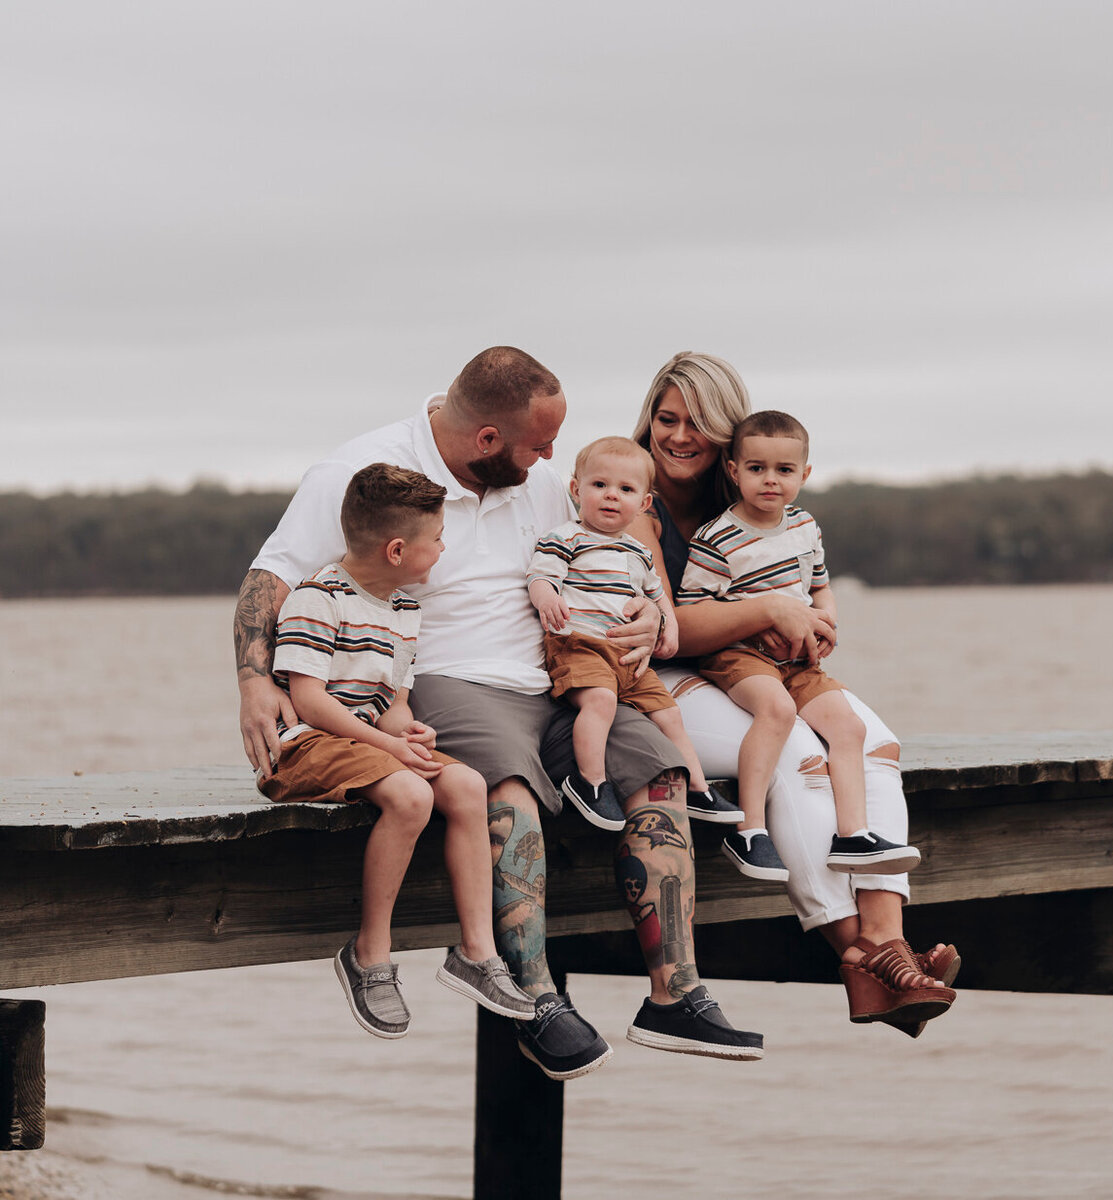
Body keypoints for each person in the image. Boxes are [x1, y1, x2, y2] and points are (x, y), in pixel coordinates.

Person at [236, 346, 764, 1079]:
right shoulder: (365, 472)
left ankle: (675, 994)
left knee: (661, 772)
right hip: (450, 678)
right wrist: (255, 681)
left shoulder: (540, 480)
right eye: (540, 445)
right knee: (507, 795)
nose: (552, 458)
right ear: (487, 441)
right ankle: (535, 996)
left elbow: (617, 535)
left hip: (559, 673)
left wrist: (649, 609)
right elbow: (274, 574)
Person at [628, 351, 958, 1036]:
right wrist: (776, 612)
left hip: (756, 666)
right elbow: (670, 631)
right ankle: (863, 955)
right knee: (794, 754)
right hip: (665, 680)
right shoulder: (633, 499)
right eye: (667, 419)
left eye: (700, 423)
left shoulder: (757, 498)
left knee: (874, 744)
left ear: (730, 439)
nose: (681, 436)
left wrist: (817, 618)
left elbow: (806, 581)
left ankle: (886, 939)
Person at [260, 462, 536, 1038]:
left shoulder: (405, 610)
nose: (441, 549)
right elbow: (309, 701)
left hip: (370, 742)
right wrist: (388, 744)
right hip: (309, 745)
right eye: (435, 541)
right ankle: (370, 952)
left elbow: (394, 702)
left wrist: (408, 731)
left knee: (465, 785)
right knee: (411, 795)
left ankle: (476, 951)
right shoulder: (319, 598)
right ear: (395, 550)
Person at [679, 409, 921, 884]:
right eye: (757, 469)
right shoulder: (716, 538)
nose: (771, 481)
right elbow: (695, 606)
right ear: (734, 471)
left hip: (798, 657)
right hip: (739, 655)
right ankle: (749, 829)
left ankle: (852, 835)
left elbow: (820, 587)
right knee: (776, 711)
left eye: (784, 471)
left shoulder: (805, 526)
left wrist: (826, 618)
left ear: (804, 474)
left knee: (849, 728)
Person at [527, 435, 742, 830]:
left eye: (625, 489)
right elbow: (541, 575)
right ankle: (590, 782)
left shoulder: (638, 552)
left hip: (625, 656)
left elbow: (659, 600)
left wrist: (667, 630)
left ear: (644, 503)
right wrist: (546, 598)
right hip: (579, 645)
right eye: (599, 485)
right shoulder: (566, 536)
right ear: (577, 490)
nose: (611, 496)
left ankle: (699, 788)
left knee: (670, 713)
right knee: (601, 702)